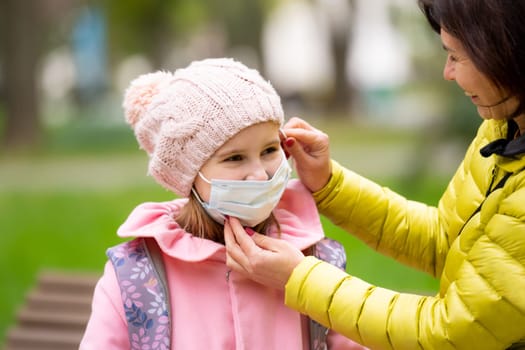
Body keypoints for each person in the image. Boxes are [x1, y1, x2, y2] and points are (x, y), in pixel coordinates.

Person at [223, 1, 525, 349]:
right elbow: (445, 242)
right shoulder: (502, 129)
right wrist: (329, 185)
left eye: (456, 56)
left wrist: (300, 278)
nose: (448, 72)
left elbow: (451, 331)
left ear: (505, 51)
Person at [80, 57, 364, 349]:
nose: (259, 173)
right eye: (235, 158)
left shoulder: (313, 260)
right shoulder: (138, 275)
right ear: (190, 174)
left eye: (269, 150)